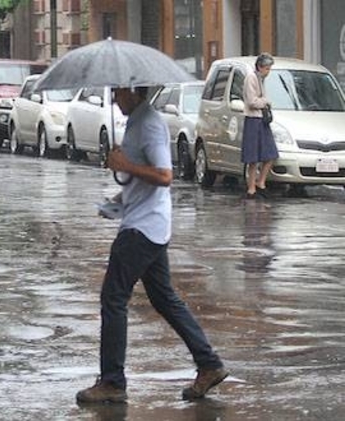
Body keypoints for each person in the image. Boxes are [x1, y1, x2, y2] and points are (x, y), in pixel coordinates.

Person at [76, 86, 228, 404]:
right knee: (165, 299)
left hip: (141, 230)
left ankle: (113, 382)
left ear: (134, 91)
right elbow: (141, 183)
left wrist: (126, 165)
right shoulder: (135, 122)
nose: (114, 98)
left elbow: (164, 175)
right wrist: (116, 202)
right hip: (147, 223)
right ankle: (209, 364)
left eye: (118, 92)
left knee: (113, 299)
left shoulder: (149, 124)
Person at [241, 53, 278, 199]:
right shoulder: (251, 78)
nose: (268, 72)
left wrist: (263, 101)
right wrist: (265, 102)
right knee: (253, 157)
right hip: (252, 119)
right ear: (260, 67)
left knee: (270, 154)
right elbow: (252, 101)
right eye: (267, 68)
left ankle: (260, 182)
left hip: (261, 119)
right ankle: (251, 188)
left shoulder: (260, 79)